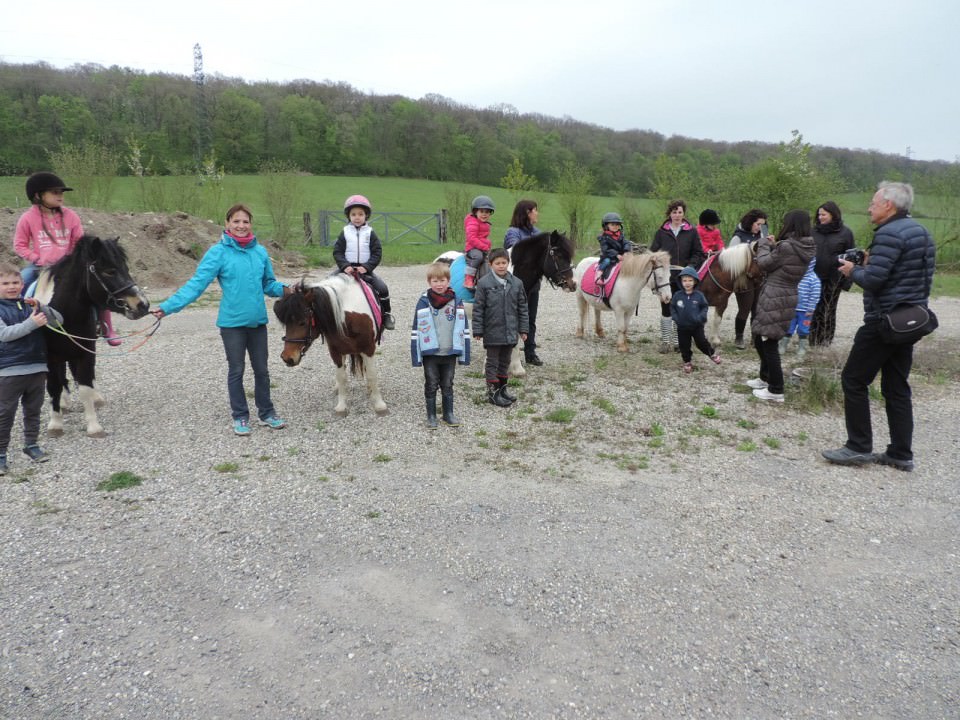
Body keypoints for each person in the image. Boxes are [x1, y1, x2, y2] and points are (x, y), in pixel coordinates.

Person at [822, 181, 935, 472]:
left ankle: (858, 446)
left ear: (889, 205)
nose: (869, 208)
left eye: (873, 203)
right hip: (908, 321)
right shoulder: (921, 232)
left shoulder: (888, 234)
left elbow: (874, 280)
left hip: (883, 321)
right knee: (897, 387)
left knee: (854, 380)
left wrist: (853, 270)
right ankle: (901, 453)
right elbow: (915, 278)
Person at [151, 204, 289, 436]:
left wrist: (287, 289)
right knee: (236, 370)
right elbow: (197, 284)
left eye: (245, 222)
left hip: (257, 324)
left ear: (250, 224)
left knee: (262, 371)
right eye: (236, 221)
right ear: (227, 224)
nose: (241, 226)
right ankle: (240, 416)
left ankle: (266, 413)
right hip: (232, 325)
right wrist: (168, 307)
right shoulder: (218, 252)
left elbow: (268, 284)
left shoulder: (260, 252)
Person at [13, 172, 121, 346]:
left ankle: (106, 325)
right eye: (55, 192)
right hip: (41, 266)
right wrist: (37, 258)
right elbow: (19, 245)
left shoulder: (71, 216)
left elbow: (79, 242)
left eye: (61, 192)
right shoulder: (27, 218)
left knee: (99, 285)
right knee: (18, 284)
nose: (60, 196)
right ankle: (17, 326)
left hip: (70, 266)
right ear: (38, 195)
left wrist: (72, 260)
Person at [0, 262, 64, 475]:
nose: (12, 286)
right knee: (5, 414)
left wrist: (41, 306)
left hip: (36, 368)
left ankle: (31, 444)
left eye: (16, 282)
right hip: (8, 371)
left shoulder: (30, 305)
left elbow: (58, 321)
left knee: (33, 411)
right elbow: (5, 335)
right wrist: (32, 324)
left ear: (22, 283)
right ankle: (1, 453)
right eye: (5, 283)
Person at [746, 210, 815, 402]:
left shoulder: (787, 247)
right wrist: (774, 246)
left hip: (776, 295)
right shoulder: (804, 246)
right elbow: (784, 262)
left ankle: (776, 389)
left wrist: (763, 245)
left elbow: (764, 263)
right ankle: (765, 378)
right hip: (787, 294)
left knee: (769, 342)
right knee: (761, 338)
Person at [410, 262, 471, 428]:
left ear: (449, 281)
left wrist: (464, 352)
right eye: (435, 281)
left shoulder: (457, 302)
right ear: (429, 282)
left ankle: (448, 413)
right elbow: (416, 330)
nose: (439, 284)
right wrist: (416, 356)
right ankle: (431, 415)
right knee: (431, 383)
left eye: (442, 280)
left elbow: (463, 328)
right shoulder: (423, 303)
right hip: (431, 353)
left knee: (448, 383)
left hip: (449, 352)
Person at [472, 248, 528, 407]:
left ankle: (503, 390)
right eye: (498, 263)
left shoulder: (517, 283)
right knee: (492, 362)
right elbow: (478, 308)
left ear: (508, 263)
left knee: (505, 362)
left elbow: (522, 308)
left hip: (510, 332)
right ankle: (493, 392)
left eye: (504, 263)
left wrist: (523, 329)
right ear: (491, 265)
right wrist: (478, 330)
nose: (501, 266)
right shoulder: (484, 283)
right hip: (492, 331)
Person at [650, 199, 706, 353]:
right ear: (670, 214)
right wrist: (654, 258)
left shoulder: (692, 231)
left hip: (684, 277)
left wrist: (690, 266)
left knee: (681, 309)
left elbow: (698, 253)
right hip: (666, 278)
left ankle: (678, 342)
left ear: (683, 213)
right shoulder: (662, 232)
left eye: (680, 212)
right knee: (666, 307)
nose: (677, 215)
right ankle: (665, 341)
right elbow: (653, 250)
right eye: (674, 212)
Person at [333, 194, 395, 330]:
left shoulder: (370, 233)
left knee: (383, 288)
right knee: (327, 284)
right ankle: (324, 316)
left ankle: (386, 316)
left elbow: (377, 253)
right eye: (353, 214)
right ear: (348, 216)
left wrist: (366, 267)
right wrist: (345, 266)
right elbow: (337, 252)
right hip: (347, 268)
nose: (357, 217)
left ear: (366, 216)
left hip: (365, 269)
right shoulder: (344, 232)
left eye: (360, 214)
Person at [809, 201, 855, 346]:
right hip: (814, 277)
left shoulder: (845, 233)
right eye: (819, 214)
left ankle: (826, 339)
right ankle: (812, 338)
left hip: (834, 277)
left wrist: (847, 280)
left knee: (829, 307)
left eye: (824, 214)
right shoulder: (813, 231)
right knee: (813, 307)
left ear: (833, 215)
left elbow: (851, 257)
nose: (820, 217)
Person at [503, 199, 544, 366]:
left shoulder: (538, 232)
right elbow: (517, 253)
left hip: (533, 284)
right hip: (514, 284)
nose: (537, 213)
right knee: (512, 318)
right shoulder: (512, 232)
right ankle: (509, 352)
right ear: (527, 212)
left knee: (530, 318)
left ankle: (530, 351)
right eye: (535, 210)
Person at [727, 209, 769, 349]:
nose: (760, 227)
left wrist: (771, 245)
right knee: (745, 308)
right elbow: (730, 260)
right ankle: (739, 337)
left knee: (757, 308)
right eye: (758, 224)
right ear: (750, 223)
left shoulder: (763, 237)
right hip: (743, 277)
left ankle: (755, 337)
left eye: (763, 225)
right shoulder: (738, 237)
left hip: (759, 277)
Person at [670, 266, 721, 374]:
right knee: (684, 345)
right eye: (684, 280)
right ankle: (687, 361)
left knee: (701, 343)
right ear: (680, 282)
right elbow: (672, 307)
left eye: (690, 280)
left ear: (695, 281)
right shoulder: (677, 296)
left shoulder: (699, 295)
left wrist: (700, 317)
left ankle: (711, 353)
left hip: (697, 326)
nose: (687, 283)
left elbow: (704, 307)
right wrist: (676, 318)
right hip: (682, 327)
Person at [779, 257, 821, 361]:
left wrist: (810, 309)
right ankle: (783, 345)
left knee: (803, 329)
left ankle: (802, 347)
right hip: (792, 308)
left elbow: (815, 295)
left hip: (805, 311)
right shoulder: (794, 277)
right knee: (789, 327)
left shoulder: (813, 279)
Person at [464, 195, 495, 290]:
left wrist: (488, 244)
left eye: (487, 212)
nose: (484, 214)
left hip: (481, 247)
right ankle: (469, 278)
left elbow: (482, 237)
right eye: (481, 211)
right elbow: (472, 238)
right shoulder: (472, 222)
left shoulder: (484, 223)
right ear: (475, 211)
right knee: (478, 257)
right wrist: (484, 247)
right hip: (473, 248)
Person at [595, 212, 631, 285]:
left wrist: (626, 251)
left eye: (617, 224)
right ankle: (599, 275)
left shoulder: (620, 235)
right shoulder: (603, 237)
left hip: (620, 256)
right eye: (612, 224)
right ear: (606, 226)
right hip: (608, 256)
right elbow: (606, 249)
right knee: (607, 261)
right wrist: (616, 255)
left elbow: (626, 243)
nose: (615, 226)